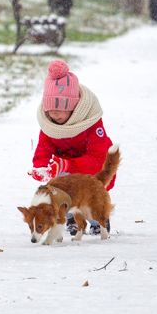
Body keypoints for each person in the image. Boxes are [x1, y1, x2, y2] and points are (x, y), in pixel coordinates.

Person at [29, 60, 116, 233]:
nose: (54, 113)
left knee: (89, 194)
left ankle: (97, 220)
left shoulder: (91, 122)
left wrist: (68, 165)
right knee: (59, 188)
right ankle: (69, 218)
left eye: (61, 107)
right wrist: (41, 167)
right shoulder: (50, 125)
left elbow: (98, 159)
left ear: (75, 106)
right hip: (66, 168)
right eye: (50, 107)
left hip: (91, 168)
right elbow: (44, 148)